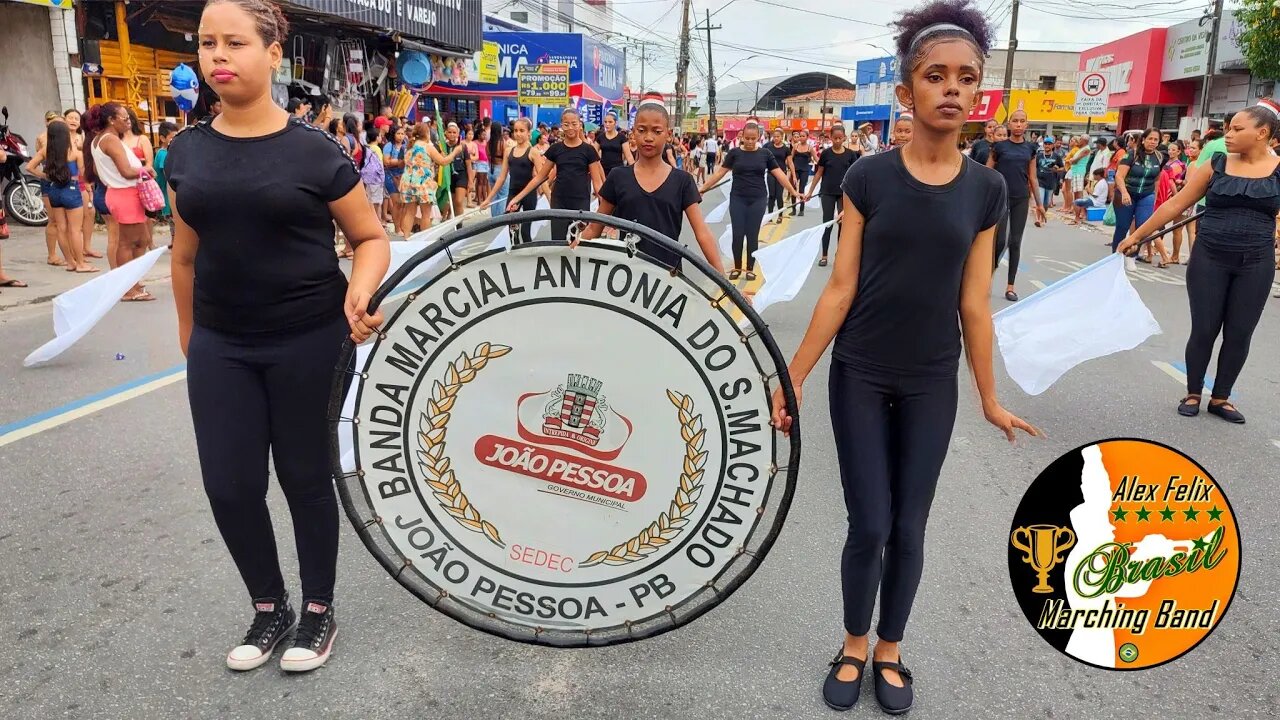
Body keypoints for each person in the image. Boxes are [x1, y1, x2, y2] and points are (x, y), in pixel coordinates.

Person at [770, 3, 1037, 713]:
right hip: (859, 371)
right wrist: (792, 375)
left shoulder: (986, 191)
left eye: (966, 78)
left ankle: (891, 649)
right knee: (871, 524)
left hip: (930, 382)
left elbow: (974, 305)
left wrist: (987, 395)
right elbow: (840, 288)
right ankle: (854, 642)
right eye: (935, 76)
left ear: (978, 94)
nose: (952, 88)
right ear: (906, 92)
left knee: (911, 525)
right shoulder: (868, 178)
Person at [167, 0, 390, 673]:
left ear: (272, 53)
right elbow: (183, 255)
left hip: (309, 339)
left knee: (302, 477)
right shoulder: (185, 151)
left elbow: (370, 237)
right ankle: (270, 607)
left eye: (234, 42)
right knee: (230, 485)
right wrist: (190, 338)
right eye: (207, 43)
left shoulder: (313, 150)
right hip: (220, 344)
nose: (218, 57)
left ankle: (317, 611)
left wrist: (361, 284)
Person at [1118, 100, 1280, 424]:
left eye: (1237, 129)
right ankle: (1193, 392)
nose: (1228, 134)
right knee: (1205, 328)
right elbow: (1175, 204)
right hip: (1210, 258)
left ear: (1262, 133)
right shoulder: (1216, 163)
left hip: (1256, 263)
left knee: (1239, 332)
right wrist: (1138, 236)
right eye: (1228, 127)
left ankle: (1221, 398)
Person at [579, 94, 721, 271]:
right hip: (624, 279)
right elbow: (594, 228)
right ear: (633, 134)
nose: (648, 137)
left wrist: (725, 283)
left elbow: (702, 233)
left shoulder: (682, 181)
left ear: (668, 135)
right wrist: (569, 252)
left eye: (656, 131)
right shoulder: (618, 177)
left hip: (668, 280)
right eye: (641, 130)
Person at [699, 121, 800, 280]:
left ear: (759, 137)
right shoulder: (734, 153)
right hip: (738, 198)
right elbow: (719, 174)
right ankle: (738, 267)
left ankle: (750, 268)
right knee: (738, 234)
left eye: (754, 138)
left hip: (758, 199)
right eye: (747, 138)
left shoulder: (765, 154)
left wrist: (794, 191)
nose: (751, 142)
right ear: (742, 137)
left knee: (752, 235)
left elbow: (779, 174)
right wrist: (703, 188)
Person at [506, 107, 604, 243]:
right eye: (566, 124)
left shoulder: (589, 150)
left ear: (580, 125)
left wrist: (607, 208)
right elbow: (540, 177)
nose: (570, 128)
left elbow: (597, 183)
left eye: (574, 124)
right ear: (561, 126)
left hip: (581, 202)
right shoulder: (555, 149)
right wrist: (517, 198)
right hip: (558, 202)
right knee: (558, 244)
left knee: (578, 244)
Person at [92, 103, 153, 300]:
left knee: (141, 240)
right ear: (111, 120)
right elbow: (126, 171)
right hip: (124, 194)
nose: (129, 122)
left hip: (122, 193)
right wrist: (145, 170)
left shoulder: (100, 140)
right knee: (127, 243)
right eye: (125, 118)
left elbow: (95, 170)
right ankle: (128, 289)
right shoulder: (110, 140)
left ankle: (132, 281)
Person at [987, 108, 1047, 302]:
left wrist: (1039, 204)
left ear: (1027, 125)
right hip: (1001, 198)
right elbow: (988, 173)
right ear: (1009, 123)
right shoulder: (999, 147)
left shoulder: (1030, 148)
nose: (1019, 124)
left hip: (1021, 198)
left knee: (1015, 241)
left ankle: (1010, 286)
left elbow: (1033, 177)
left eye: (1022, 121)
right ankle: (986, 280)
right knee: (999, 241)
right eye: (1015, 121)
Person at [26, 120, 96, 273]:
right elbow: (83, 174)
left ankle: (70, 262)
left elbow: (29, 167)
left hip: (54, 190)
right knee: (75, 229)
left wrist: (45, 176)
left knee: (61, 228)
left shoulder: (46, 151)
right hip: (71, 190)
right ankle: (81, 264)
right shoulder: (75, 152)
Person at [805, 122, 858, 266]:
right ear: (831, 138)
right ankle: (824, 255)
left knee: (842, 224)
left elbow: (854, 176)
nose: (838, 141)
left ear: (844, 138)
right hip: (827, 193)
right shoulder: (826, 154)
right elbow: (819, 173)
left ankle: (839, 254)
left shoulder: (850, 155)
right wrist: (810, 191)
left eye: (840, 138)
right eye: (835, 138)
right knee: (827, 223)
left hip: (843, 194)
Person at [397, 122, 460, 236]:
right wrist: (455, 152)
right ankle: (424, 240)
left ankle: (406, 237)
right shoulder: (427, 147)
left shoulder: (409, 147)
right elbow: (443, 161)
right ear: (427, 134)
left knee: (409, 212)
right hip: (422, 181)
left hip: (408, 181)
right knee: (426, 214)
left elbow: (401, 163)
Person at [486, 118, 541, 242]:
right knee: (512, 228)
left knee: (525, 231)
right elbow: (502, 177)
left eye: (522, 131)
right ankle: (515, 254)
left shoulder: (533, 152)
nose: (518, 134)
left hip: (529, 194)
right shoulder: (508, 151)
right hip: (513, 192)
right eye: (515, 130)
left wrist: (549, 196)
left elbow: (541, 176)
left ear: (528, 133)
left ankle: (528, 256)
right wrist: (489, 199)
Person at [1111, 128, 1164, 254]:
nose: (1152, 142)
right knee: (1122, 227)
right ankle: (1116, 254)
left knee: (1142, 227)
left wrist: (1154, 197)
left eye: (1156, 140)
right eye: (1150, 138)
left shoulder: (1159, 157)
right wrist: (1124, 193)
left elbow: (1157, 179)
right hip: (1126, 193)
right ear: (1144, 139)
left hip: (1146, 195)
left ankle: (1132, 255)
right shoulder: (1131, 154)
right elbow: (1119, 176)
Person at [154, 121, 179, 244]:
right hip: (168, 195)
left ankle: (174, 241)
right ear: (163, 138)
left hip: (166, 194)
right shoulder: (164, 154)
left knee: (173, 222)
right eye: (172, 137)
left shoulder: (160, 152)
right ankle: (176, 242)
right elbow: (168, 174)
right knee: (175, 221)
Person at [789, 130, 816, 217]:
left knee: (801, 189)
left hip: (804, 171)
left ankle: (801, 209)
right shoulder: (795, 146)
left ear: (807, 137)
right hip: (795, 170)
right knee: (793, 188)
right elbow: (790, 159)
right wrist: (791, 171)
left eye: (803, 136)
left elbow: (816, 159)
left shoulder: (810, 148)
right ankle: (793, 209)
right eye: (800, 136)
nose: (801, 137)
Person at [765, 128, 791, 220]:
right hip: (771, 173)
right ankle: (770, 216)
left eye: (778, 137)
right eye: (774, 137)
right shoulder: (768, 147)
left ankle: (780, 215)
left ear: (782, 137)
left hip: (782, 174)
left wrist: (794, 176)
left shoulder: (786, 149)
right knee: (771, 195)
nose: (776, 138)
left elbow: (790, 162)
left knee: (779, 195)